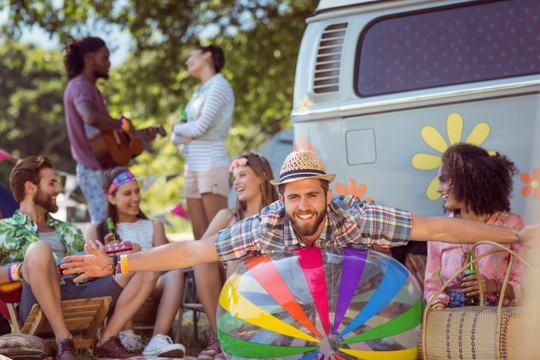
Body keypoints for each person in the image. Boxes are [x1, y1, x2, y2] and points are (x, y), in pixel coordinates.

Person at [62, 150, 539, 292]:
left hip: (352, 304)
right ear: (281, 198)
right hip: (291, 308)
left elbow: (436, 227)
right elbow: (191, 252)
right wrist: (120, 266)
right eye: (295, 197)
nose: (305, 205)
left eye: (313, 194)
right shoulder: (266, 225)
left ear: (328, 194)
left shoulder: (357, 219)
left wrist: (514, 234)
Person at [0, 156, 159, 360]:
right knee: (39, 249)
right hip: (36, 301)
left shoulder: (69, 229)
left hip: (79, 291)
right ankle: (63, 340)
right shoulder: (4, 230)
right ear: (30, 188)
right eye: (52, 183)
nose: (59, 189)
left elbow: (88, 273)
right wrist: (23, 269)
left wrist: (100, 258)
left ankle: (107, 340)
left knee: (141, 257)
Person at [86, 167, 186, 357]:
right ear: (112, 198)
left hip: (153, 282)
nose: (135, 198)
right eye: (127, 193)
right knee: (128, 268)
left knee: (175, 274)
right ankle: (125, 332)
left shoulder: (154, 225)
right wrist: (107, 251)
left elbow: (168, 262)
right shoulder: (98, 230)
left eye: (137, 191)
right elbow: (92, 272)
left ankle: (158, 339)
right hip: (119, 285)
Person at [63, 36, 157, 224]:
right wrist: (123, 125)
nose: (109, 62)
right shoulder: (80, 86)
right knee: (103, 225)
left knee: (113, 224)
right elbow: (90, 117)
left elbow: (104, 136)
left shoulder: (91, 89)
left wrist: (137, 135)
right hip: (92, 168)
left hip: (101, 167)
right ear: (89, 60)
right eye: (104, 57)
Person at [194, 152, 278, 360]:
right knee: (203, 263)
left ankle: (243, 338)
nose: (237, 183)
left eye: (243, 175)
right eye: (235, 178)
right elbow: (198, 251)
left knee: (239, 261)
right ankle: (221, 336)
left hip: (269, 290)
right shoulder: (227, 216)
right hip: (227, 288)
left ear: (262, 176)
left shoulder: (278, 214)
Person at [424, 144, 527, 309]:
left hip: (497, 322)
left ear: (469, 180)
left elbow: (525, 285)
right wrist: (441, 312)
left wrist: (494, 287)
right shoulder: (440, 230)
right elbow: (432, 287)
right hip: (451, 321)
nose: (438, 188)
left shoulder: (512, 225)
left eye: (444, 180)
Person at [170, 44, 234, 241]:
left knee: (217, 236)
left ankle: (227, 273)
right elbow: (176, 139)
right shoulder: (199, 92)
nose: (187, 61)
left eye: (191, 56)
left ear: (207, 56)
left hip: (212, 164)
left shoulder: (219, 86)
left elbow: (197, 129)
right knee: (199, 236)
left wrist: (177, 127)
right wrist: (185, 129)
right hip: (192, 167)